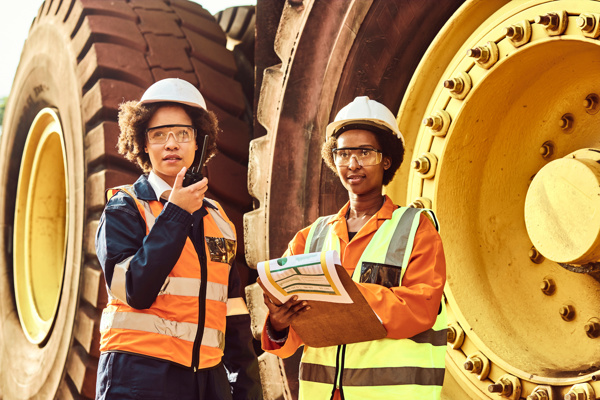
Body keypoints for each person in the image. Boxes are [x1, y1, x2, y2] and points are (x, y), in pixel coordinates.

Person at [261, 96, 447, 399]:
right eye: (343, 153)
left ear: (387, 160)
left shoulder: (417, 229)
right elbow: (295, 330)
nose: (353, 164)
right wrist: (279, 325)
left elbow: (422, 309)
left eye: (365, 152)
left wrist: (349, 293)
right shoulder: (309, 239)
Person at [95, 78, 262, 400]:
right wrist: (176, 213)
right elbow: (135, 290)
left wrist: (246, 389)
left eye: (182, 134)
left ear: (199, 142)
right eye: (159, 135)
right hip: (139, 377)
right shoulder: (124, 208)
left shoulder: (219, 219)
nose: (171, 144)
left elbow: (232, 313)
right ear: (143, 144)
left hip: (207, 380)